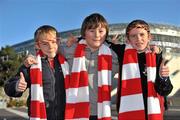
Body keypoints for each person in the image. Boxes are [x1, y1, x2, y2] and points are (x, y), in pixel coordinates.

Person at [108, 20, 173, 120]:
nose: (138, 39)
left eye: (142, 34)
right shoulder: (122, 52)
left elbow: (165, 91)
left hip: (151, 113)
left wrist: (164, 78)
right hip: (129, 112)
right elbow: (98, 40)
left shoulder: (155, 57)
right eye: (133, 36)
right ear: (128, 40)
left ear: (149, 37)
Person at [60, 13, 119, 120]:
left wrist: (156, 54)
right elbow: (48, 49)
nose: (97, 35)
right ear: (84, 33)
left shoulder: (113, 55)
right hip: (74, 109)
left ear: (106, 34)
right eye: (92, 31)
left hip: (100, 112)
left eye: (101, 31)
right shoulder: (70, 49)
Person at [4, 25, 69, 120]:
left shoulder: (67, 63)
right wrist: (17, 86)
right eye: (45, 44)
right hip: (40, 116)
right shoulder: (32, 64)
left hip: (65, 116)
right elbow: (8, 87)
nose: (51, 46)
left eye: (54, 42)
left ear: (58, 41)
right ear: (37, 45)